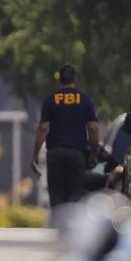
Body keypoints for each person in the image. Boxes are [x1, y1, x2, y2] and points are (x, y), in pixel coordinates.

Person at [31, 64, 100, 209]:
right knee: (75, 193)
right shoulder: (85, 100)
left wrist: (35, 154)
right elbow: (93, 128)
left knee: (56, 194)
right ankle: (71, 227)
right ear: (75, 79)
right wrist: (94, 153)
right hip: (77, 153)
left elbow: (43, 128)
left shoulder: (50, 100)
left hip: (55, 152)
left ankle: (58, 225)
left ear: (59, 80)